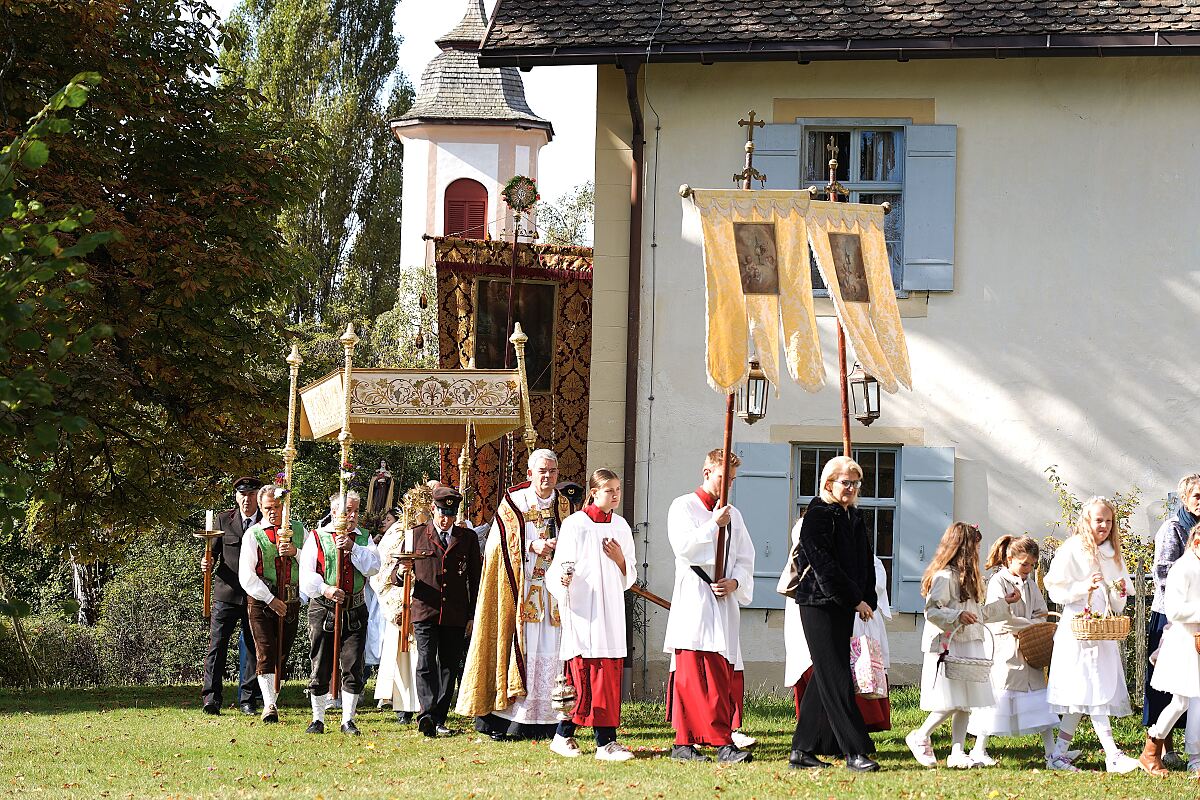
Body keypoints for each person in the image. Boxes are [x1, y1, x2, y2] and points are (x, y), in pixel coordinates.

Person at [458, 449, 575, 740]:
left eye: (552, 471)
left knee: (551, 649)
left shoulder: (564, 506)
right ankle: (510, 720)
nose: (547, 477)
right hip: (521, 591)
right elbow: (497, 547)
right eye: (542, 471)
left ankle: (549, 719)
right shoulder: (514, 503)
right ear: (529, 474)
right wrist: (530, 545)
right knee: (523, 647)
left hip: (554, 594)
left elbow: (574, 541)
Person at [789, 456, 881, 773]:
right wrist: (855, 599)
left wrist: (868, 598)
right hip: (817, 603)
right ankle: (854, 752)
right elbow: (823, 565)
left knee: (825, 675)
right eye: (846, 482)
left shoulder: (853, 516)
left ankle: (802, 751)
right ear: (829, 484)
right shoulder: (817, 515)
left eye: (856, 483)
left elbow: (865, 562)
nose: (852, 488)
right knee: (837, 675)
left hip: (842, 604)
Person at [663, 448, 754, 764]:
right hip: (694, 598)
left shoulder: (735, 514)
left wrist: (735, 583)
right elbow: (684, 548)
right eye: (722, 479)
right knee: (692, 672)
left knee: (717, 673)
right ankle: (694, 742)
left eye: (731, 480)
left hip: (722, 599)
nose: (727, 486)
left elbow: (745, 558)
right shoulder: (683, 507)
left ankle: (708, 741)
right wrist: (713, 524)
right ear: (706, 473)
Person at [907, 522, 1018, 769]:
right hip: (951, 643)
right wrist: (956, 617)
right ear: (964, 549)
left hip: (970, 642)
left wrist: (1005, 603)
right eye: (975, 547)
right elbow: (932, 611)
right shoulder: (945, 577)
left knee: (966, 701)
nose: (978, 552)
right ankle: (920, 734)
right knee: (952, 700)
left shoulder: (968, 579)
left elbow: (980, 614)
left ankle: (957, 752)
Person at [1044, 496, 1141, 773]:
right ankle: (1112, 754)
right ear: (1087, 521)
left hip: (1102, 631)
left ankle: (1058, 754)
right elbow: (1056, 590)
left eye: (1109, 521)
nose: (1104, 526)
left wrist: (1119, 591)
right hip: (1079, 628)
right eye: (1099, 520)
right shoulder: (1072, 549)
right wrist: (1083, 586)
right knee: (1093, 688)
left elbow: (1116, 600)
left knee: (1084, 691)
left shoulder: (1112, 553)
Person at [545, 469, 637, 761]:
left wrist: (621, 560)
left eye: (618, 489)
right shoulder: (575, 525)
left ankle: (596, 740)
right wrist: (562, 579)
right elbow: (560, 565)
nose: (616, 495)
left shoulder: (621, 526)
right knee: (582, 675)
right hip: (584, 609)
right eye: (609, 490)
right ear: (594, 492)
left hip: (610, 610)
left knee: (607, 675)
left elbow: (630, 573)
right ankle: (578, 737)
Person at [966, 536, 1063, 767]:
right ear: (1010, 559)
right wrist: (1030, 625)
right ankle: (979, 749)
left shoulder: (1030, 583)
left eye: (1032, 565)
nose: (1028, 569)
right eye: (1024, 564)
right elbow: (1001, 619)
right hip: (1006, 650)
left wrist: (1033, 625)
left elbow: (1041, 611)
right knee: (1000, 697)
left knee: (1039, 699)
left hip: (1030, 650)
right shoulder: (999, 582)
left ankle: (1051, 752)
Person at [404, 486, 483, 737]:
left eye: (450, 513)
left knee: (448, 665)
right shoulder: (416, 535)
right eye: (441, 512)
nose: (445, 518)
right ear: (432, 510)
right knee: (426, 661)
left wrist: (472, 615)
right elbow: (399, 578)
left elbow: (475, 578)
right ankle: (426, 715)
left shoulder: (467, 538)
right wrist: (401, 570)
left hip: (455, 612)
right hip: (425, 609)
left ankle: (439, 717)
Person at [299, 490, 380, 735]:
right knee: (320, 661)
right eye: (347, 511)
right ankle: (318, 718)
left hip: (355, 608)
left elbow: (374, 567)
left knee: (353, 663)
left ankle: (348, 719)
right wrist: (326, 589)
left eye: (356, 511)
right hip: (323, 608)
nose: (352, 516)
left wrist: (353, 547)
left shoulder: (363, 538)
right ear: (334, 513)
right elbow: (306, 574)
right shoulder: (317, 537)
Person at [1145, 473, 1200, 766]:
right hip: (1171, 614)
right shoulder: (1174, 528)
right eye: (1197, 496)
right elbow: (1164, 573)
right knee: (1169, 687)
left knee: (1193, 690)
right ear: (1184, 499)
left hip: (1195, 617)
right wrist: (1174, 618)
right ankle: (1162, 747)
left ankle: (1192, 750)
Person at [238, 485, 305, 723]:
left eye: (277, 507)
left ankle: (273, 697)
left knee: (282, 652)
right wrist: (270, 599)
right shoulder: (253, 534)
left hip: (291, 597)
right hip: (261, 599)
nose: (273, 512)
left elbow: (311, 562)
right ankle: (269, 705)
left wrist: (295, 551)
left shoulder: (298, 529)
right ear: (261, 507)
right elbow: (246, 575)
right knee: (265, 650)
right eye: (268, 508)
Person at [200, 476, 264, 715]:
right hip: (226, 594)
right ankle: (211, 699)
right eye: (242, 495)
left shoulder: (266, 522)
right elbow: (212, 552)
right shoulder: (223, 520)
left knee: (253, 647)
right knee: (217, 646)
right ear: (236, 497)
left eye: (250, 495)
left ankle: (248, 699)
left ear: (257, 497)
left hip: (255, 594)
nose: (246, 500)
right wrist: (207, 561)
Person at [372, 507, 421, 723]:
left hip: (423, 604)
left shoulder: (431, 530)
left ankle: (423, 703)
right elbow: (381, 570)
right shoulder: (397, 533)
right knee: (398, 654)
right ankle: (399, 703)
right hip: (399, 603)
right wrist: (395, 605)